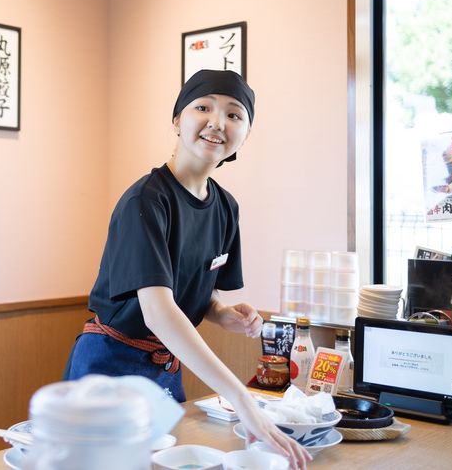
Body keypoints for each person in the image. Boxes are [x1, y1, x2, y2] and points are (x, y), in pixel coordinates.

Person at [64, 70, 311, 469]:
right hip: (110, 366)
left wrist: (221, 313)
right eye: (203, 107)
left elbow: (198, 287)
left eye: (235, 115)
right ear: (178, 121)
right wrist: (242, 400)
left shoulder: (226, 208)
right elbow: (158, 310)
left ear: (244, 135)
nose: (218, 122)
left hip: (167, 366)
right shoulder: (145, 201)